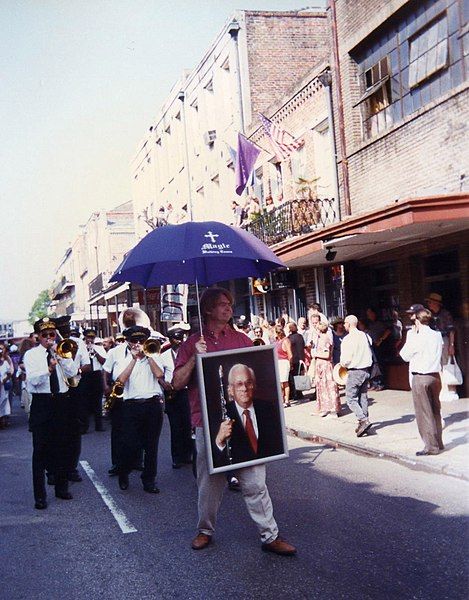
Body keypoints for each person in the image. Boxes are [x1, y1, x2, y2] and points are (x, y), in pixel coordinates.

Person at [172, 287, 296, 555]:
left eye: (229, 303)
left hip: (244, 423)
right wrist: (195, 355)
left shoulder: (241, 339)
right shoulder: (191, 343)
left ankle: (270, 535)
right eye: (221, 304)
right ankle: (205, 530)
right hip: (208, 425)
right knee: (210, 483)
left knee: (254, 482)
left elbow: (258, 374)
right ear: (207, 310)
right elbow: (176, 383)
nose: (228, 308)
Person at [23, 317, 80, 509]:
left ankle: (62, 488)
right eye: (45, 335)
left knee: (62, 446)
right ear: (38, 337)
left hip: (61, 402)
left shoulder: (61, 351)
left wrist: (62, 359)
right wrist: (49, 369)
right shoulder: (31, 355)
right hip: (42, 402)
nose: (49, 338)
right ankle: (40, 496)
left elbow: (72, 374)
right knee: (40, 451)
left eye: (52, 334)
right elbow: (33, 381)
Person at [114, 325, 165, 493]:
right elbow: (120, 380)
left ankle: (149, 480)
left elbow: (159, 375)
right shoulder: (123, 358)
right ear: (128, 342)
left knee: (151, 445)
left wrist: (148, 355)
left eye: (141, 340)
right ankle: (123, 471)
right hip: (130, 406)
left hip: (152, 405)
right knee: (129, 444)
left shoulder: (155, 355)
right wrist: (134, 359)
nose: (138, 344)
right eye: (134, 341)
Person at [213, 364, 284, 467]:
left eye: (248, 383)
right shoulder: (222, 415)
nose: (244, 388)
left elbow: (277, 443)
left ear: (254, 385)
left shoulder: (268, 409)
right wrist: (219, 440)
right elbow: (215, 461)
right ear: (230, 390)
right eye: (239, 384)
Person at [400, 308, 444, 456]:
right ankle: (439, 442)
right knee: (435, 410)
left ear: (418, 321)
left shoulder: (417, 337)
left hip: (421, 376)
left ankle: (431, 446)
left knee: (424, 413)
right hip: (435, 376)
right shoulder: (437, 335)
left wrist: (412, 336)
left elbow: (404, 355)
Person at [159, 324, 193, 469]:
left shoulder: (187, 354)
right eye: (176, 339)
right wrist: (164, 383)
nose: (179, 341)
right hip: (172, 393)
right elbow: (159, 375)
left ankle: (188, 455)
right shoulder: (164, 356)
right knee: (175, 426)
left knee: (188, 424)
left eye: (181, 338)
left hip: (186, 392)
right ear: (170, 339)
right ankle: (176, 457)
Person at [340, 315, 373, 437]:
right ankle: (364, 421)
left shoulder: (348, 339)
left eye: (344, 323)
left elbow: (346, 359)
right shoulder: (365, 335)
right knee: (363, 397)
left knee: (351, 398)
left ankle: (363, 420)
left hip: (355, 370)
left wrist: (342, 364)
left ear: (349, 324)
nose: (343, 325)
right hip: (366, 370)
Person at [81, 328, 107, 432]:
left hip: (96, 374)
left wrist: (95, 353)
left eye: (92, 337)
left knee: (97, 401)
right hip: (85, 375)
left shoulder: (99, 348)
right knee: (84, 401)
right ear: (85, 337)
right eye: (88, 337)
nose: (90, 339)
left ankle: (99, 425)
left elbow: (105, 362)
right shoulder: (81, 348)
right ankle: (84, 427)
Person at [313, 322, 341, 418]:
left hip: (325, 366)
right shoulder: (321, 339)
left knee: (328, 387)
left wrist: (315, 354)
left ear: (319, 330)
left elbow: (327, 355)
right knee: (322, 387)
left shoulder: (324, 339)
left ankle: (333, 410)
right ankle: (325, 408)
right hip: (321, 366)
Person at [365, 307, 391, 391]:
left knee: (380, 365)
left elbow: (388, 331)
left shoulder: (380, 323)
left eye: (369, 314)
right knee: (375, 365)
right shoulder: (370, 324)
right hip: (373, 347)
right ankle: (375, 383)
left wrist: (381, 339)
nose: (368, 316)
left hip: (380, 347)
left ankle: (382, 383)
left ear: (374, 313)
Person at [274, 324, 293, 408]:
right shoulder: (277, 341)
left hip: (284, 362)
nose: (277, 334)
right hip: (278, 362)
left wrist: (290, 363)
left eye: (278, 332)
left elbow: (290, 354)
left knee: (284, 382)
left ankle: (287, 400)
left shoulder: (286, 340)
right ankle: (281, 399)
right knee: (280, 383)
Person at [287, 322, 305, 400]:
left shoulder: (293, 337)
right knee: (296, 377)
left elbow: (299, 348)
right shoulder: (298, 336)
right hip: (296, 359)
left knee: (294, 378)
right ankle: (297, 393)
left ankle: (296, 394)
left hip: (294, 359)